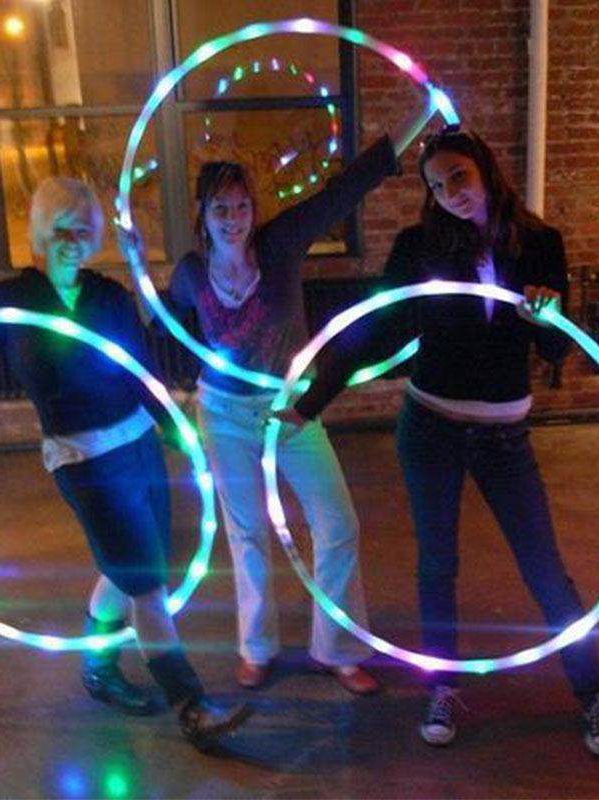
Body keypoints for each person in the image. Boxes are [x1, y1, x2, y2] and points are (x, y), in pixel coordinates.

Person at [0, 177, 251, 751]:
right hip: (81, 459)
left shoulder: (108, 297)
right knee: (146, 584)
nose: (72, 241)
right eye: (61, 230)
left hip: (138, 444)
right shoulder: (14, 301)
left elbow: (140, 374)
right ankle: (190, 704)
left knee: (130, 570)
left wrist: (184, 439)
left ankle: (98, 669)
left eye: (82, 230)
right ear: (42, 234)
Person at [279, 126, 599, 757]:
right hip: (431, 426)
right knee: (437, 564)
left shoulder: (540, 243)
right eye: (436, 185)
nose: (450, 193)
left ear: (484, 168)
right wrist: (307, 404)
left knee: (545, 568)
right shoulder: (420, 246)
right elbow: (379, 332)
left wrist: (546, 315)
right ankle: (442, 684)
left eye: (457, 176)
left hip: (504, 434)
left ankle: (592, 691)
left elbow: (553, 351)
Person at [151, 124, 411, 695]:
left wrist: (411, 130)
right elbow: (161, 324)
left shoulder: (280, 243)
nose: (234, 217)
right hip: (221, 414)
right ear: (202, 212)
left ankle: (338, 649)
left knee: (337, 522)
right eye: (221, 206)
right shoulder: (192, 273)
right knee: (247, 534)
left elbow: (338, 196)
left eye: (242, 205)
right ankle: (257, 648)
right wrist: (149, 391)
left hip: (290, 411)